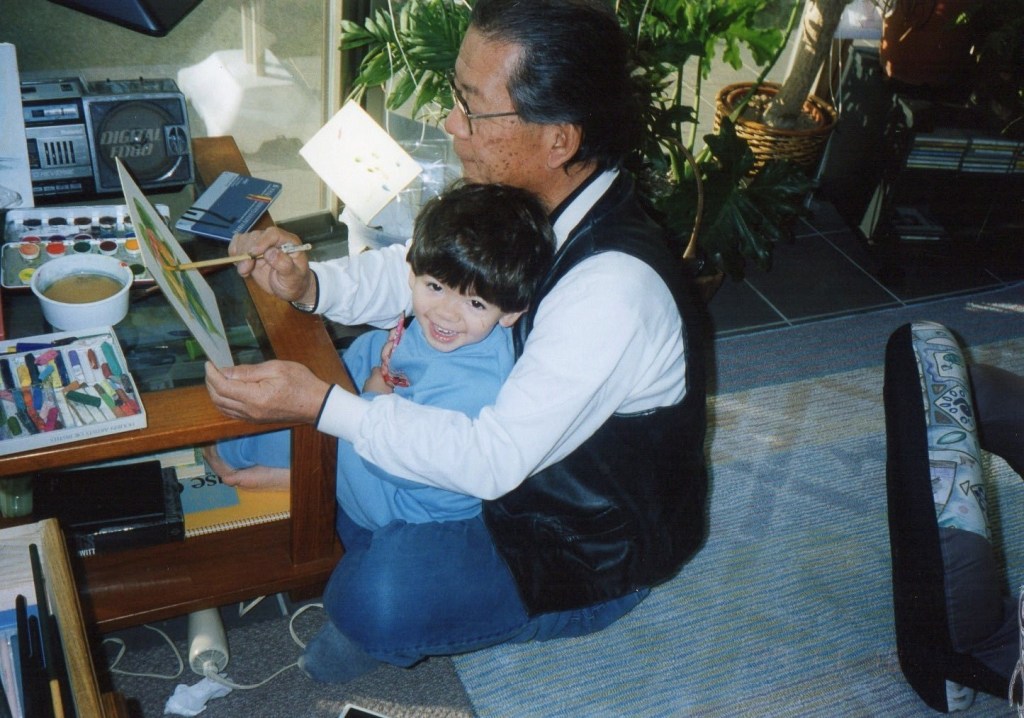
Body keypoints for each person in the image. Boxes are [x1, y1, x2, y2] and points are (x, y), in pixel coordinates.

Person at [205, 0, 708, 683]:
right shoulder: (524, 193)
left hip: (574, 539)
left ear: (557, 140)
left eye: (472, 108)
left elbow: (492, 461)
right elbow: (415, 271)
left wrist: (328, 410)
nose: (451, 123)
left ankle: (368, 524)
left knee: (374, 596)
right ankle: (358, 502)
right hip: (480, 440)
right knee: (248, 431)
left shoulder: (613, 289)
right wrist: (309, 286)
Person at [204, 180, 555, 533]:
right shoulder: (454, 325)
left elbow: (400, 463)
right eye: (435, 287)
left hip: (399, 495)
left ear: (510, 312)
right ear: (413, 273)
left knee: (235, 446)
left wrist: (373, 397)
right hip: (384, 409)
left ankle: (296, 475)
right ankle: (292, 464)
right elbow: (379, 351)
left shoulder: (476, 386)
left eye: (475, 303)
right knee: (263, 407)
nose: (447, 314)